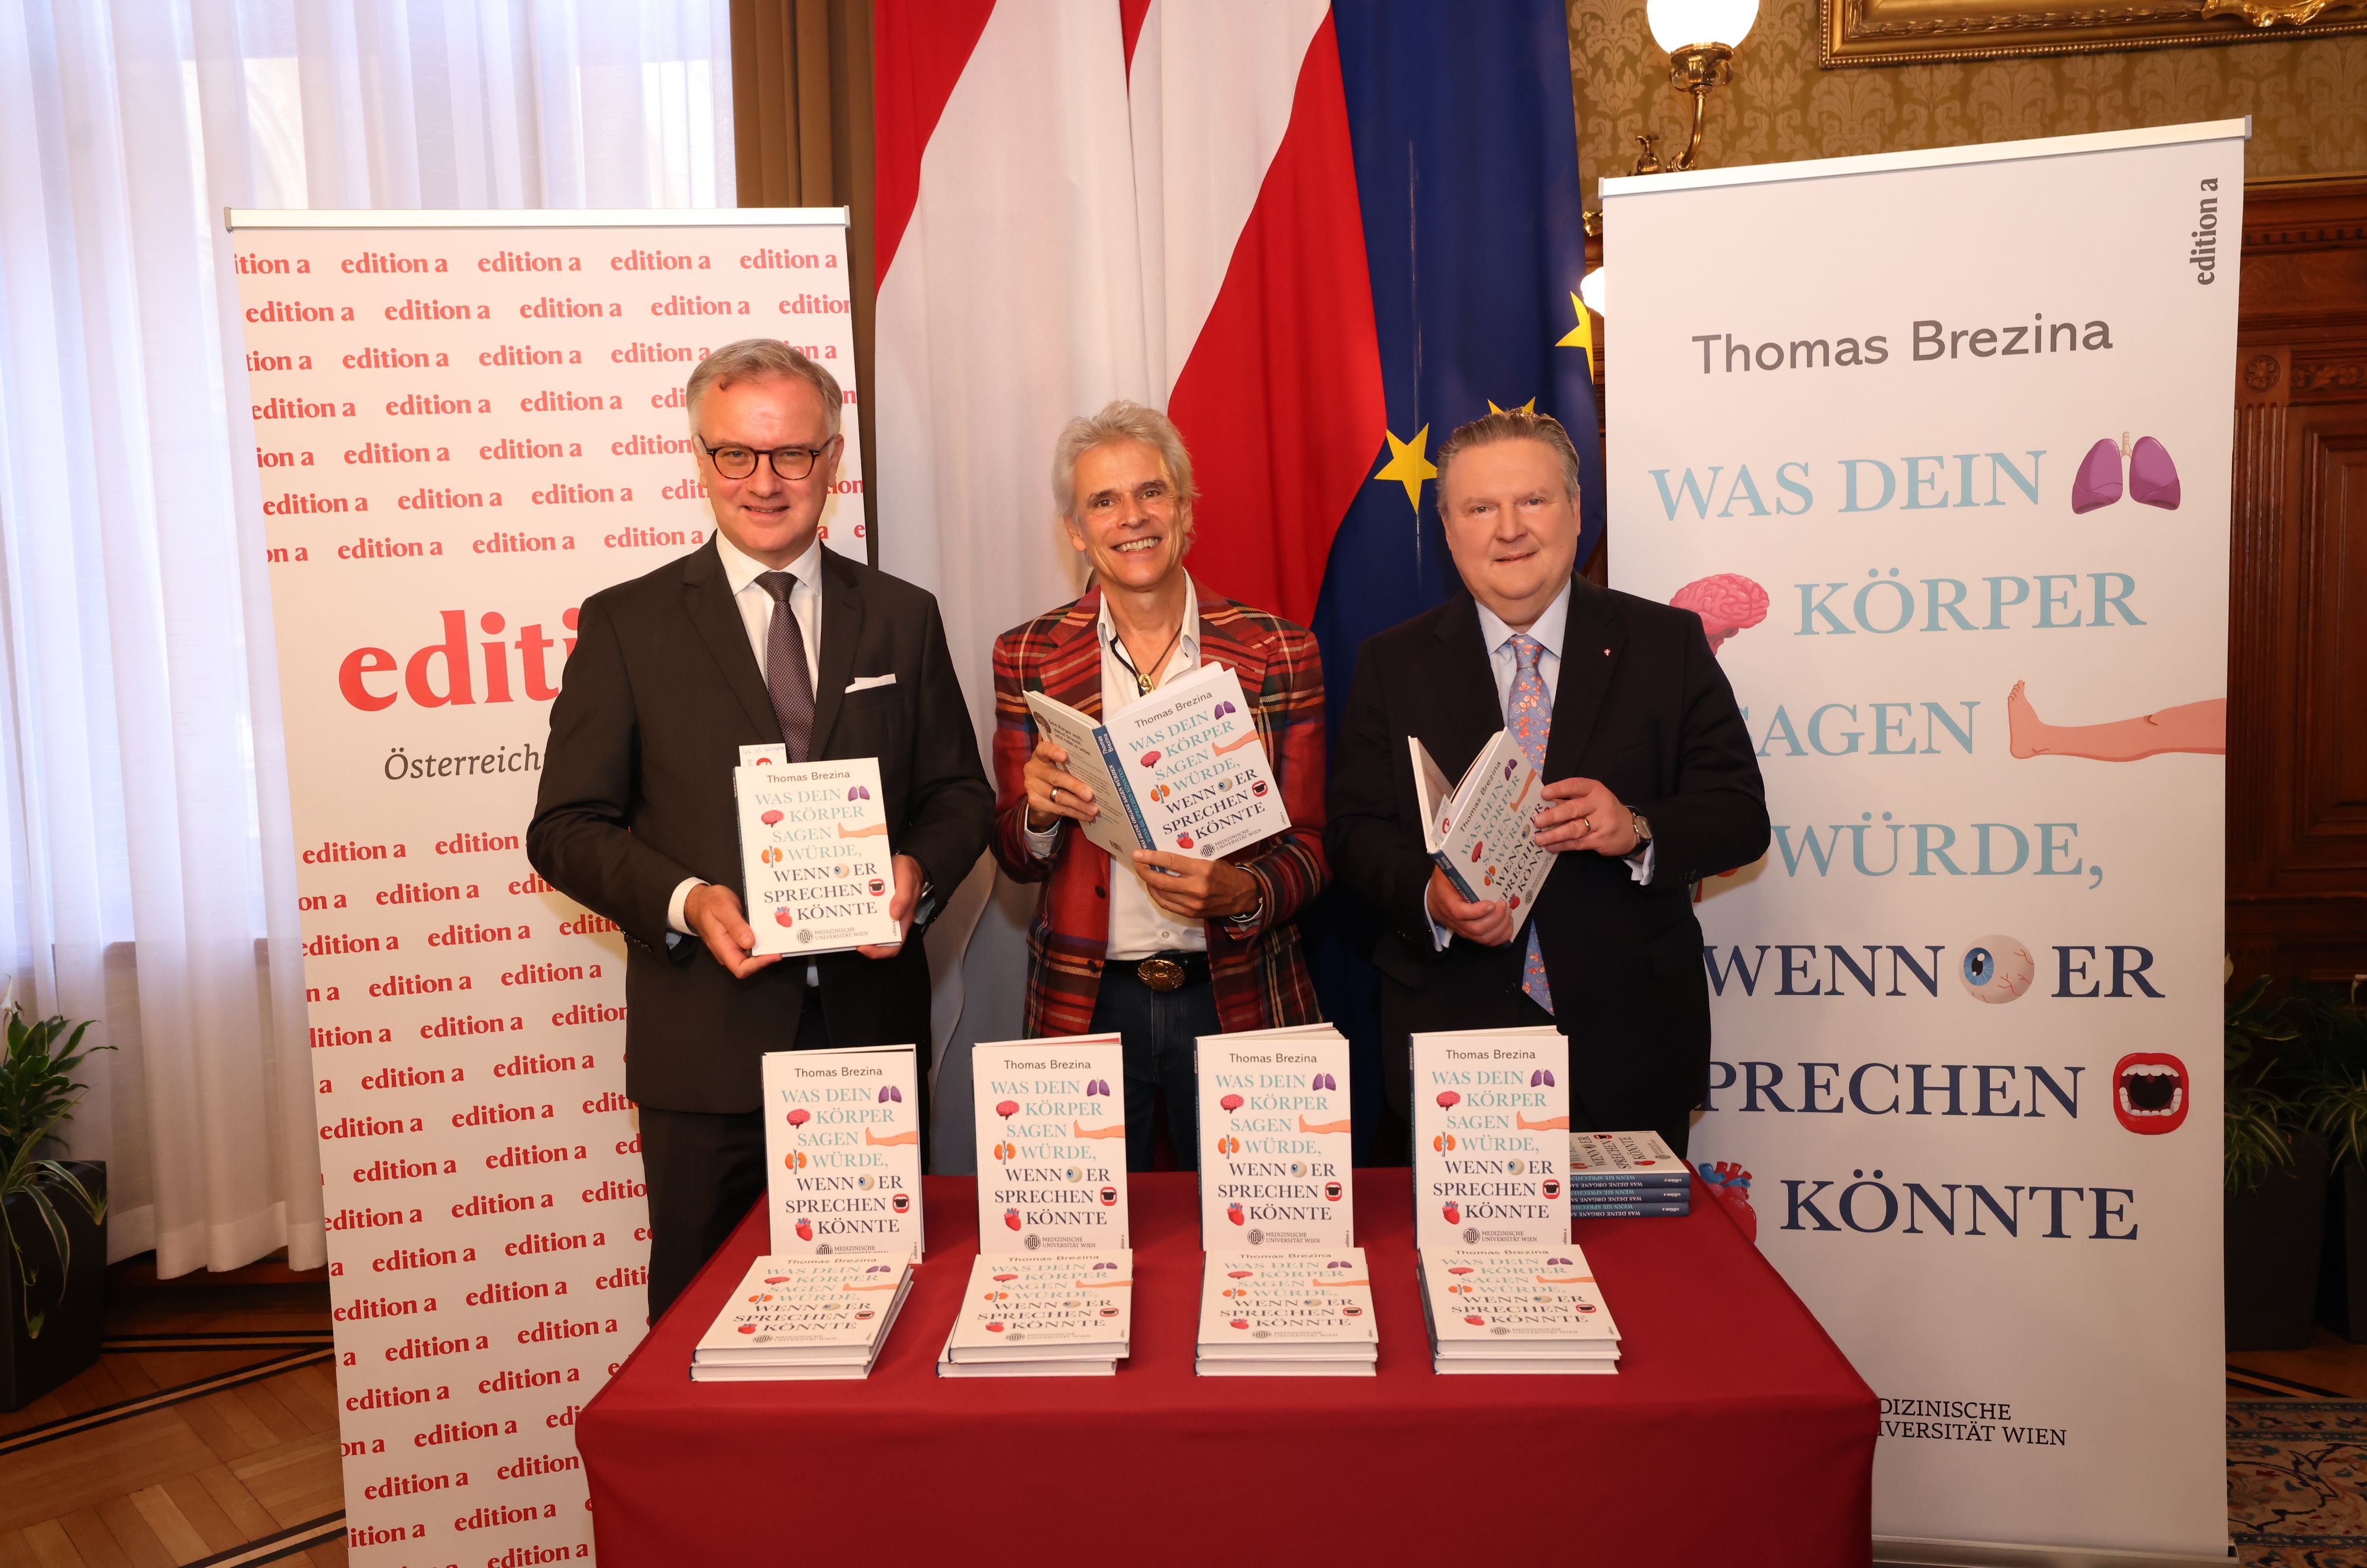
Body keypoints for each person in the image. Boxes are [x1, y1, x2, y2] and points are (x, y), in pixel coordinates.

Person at [527, 340, 992, 1319]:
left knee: (882, 1317)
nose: (765, 481)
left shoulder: (902, 616)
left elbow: (959, 794)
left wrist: (916, 869)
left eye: (792, 454)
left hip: (868, 1045)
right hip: (705, 1048)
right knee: (700, 1327)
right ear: (700, 459)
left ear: (833, 460)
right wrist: (687, 901)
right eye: (736, 453)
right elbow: (565, 827)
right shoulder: (627, 625)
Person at [1326, 410, 1767, 1156]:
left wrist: (1637, 827)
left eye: (1532, 500)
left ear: (1575, 510)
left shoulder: (1666, 645)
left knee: (1635, 1242)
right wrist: (1428, 896)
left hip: (1630, 1045)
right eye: (1479, 508)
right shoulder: (1391, 663)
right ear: (1448, 528)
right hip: (1456, 1051)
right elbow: (1354, 832)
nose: (1509, 530)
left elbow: (1738, 816)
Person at [991, 401, 1330, 1172]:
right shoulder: (1027, 655)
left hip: (1241, 991)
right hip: (1086, 1002)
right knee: (1081, 1232)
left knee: (1267, 1226)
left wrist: (1244, 891)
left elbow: (1315, 845)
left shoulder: (1278, 650)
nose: (1132, 517)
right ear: (1076, 530)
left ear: (1184, 510)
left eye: (1151, 492)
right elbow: (1012, 853)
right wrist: (1037, 816)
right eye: (1103, 501)